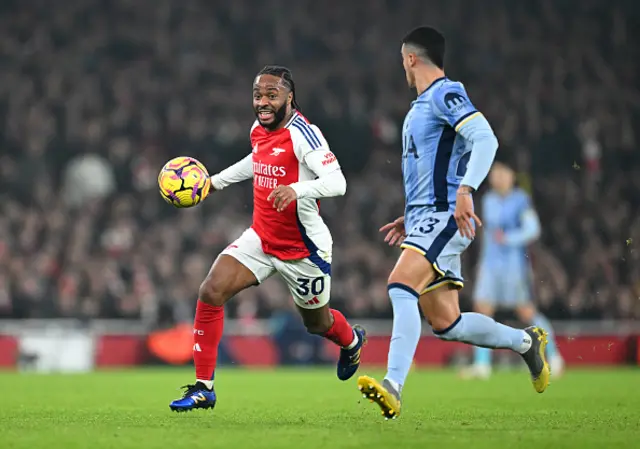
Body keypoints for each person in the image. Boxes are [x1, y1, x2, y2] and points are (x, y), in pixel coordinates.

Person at [357, 27, 550, 420]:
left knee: (399, 284)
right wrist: (409, 216)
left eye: (403, 61)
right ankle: (526, 342)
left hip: (446, 216)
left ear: (411, 58)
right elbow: (432, 171)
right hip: (427, 217)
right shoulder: (421, 105)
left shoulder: (445, 93)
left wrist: (465, 190)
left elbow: (486, 139)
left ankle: (393, 385)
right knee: (448, 323)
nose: (403, 69)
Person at [169, 65, 366, 412]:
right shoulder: (258, 130)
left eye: (271, 95)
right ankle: (204, 388)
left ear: (289, 97)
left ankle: (351, 341)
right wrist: (214, 182)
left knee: (317, 323)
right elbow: (256, 161)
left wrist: (297, 189)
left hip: (304, 250)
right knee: (211, 291)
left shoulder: (305, 133)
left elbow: (338, 182)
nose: (263, 102)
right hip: (261, 238)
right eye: (258, 95)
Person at [462, 161, 564, 379]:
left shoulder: (520, 200)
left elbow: (533, 229)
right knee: (482, 310)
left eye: (502, 172)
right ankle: (482, 365)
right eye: (494, 172)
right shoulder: (488, 200)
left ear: (512, 175)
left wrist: (509, 238)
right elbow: (488, 237)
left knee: (526, 312)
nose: (497, 176)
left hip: (513, 266)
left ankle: (555, 356)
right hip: (490, 265)